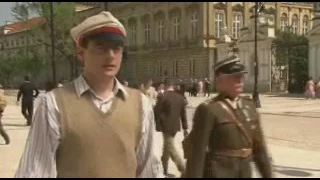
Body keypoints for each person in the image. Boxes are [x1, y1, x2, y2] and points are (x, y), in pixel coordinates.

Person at [15, 11, 163, 178]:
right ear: (80, 52)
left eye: (117, 48)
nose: (111, 56)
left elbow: (150, 169)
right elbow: (34, 171)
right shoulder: (54, 104)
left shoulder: (140, 105)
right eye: (101, 48)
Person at [183, 55, 273, 178]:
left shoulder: (249, 106)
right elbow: (197, 155)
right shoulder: (208, 109)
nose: (240, 80)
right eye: (235, 77)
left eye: (241, 76)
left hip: (244, 173)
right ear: (220, 81)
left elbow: (260, 150)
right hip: (218, 173)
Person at [154, 79, 188, 177]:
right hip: (175, 126)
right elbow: (183, 114)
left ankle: (184, 169)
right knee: (167, 147)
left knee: (170, 148)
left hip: (166, 125)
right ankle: (164, 169)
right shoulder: (180, 97)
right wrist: (185, 128)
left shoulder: (163, 97)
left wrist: (157, 124)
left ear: (165, 85)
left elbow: (156, 111)